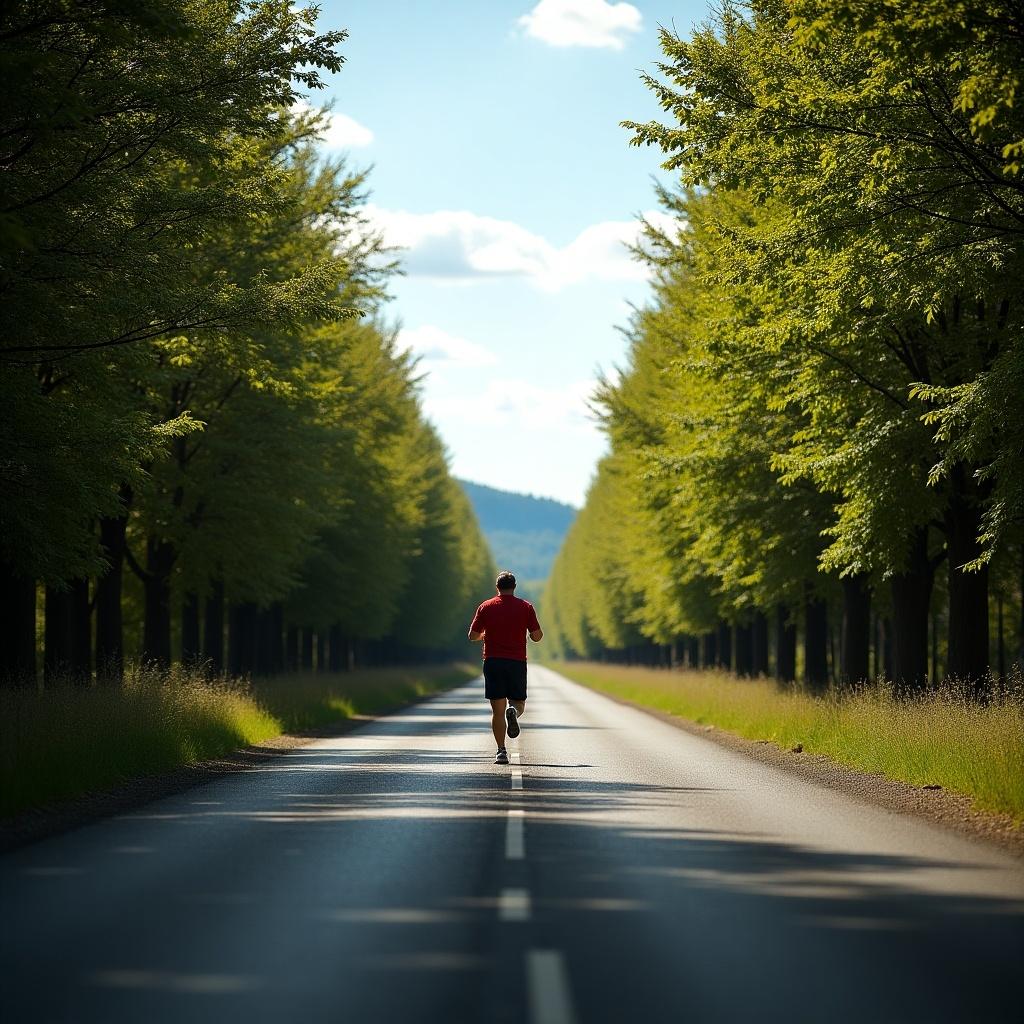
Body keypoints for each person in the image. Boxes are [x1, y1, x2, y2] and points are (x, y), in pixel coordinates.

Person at [468, 570, 543, 764]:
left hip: (492, 661)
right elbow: (537, 636)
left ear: (497, 587)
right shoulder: (526, 607)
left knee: (496, 711)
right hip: (516, 662)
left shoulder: (485, 607)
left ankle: (501, 751)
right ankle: (514, 712)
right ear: (514, 587)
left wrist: (485, 635)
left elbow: (472, 635)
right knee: (518, 703)